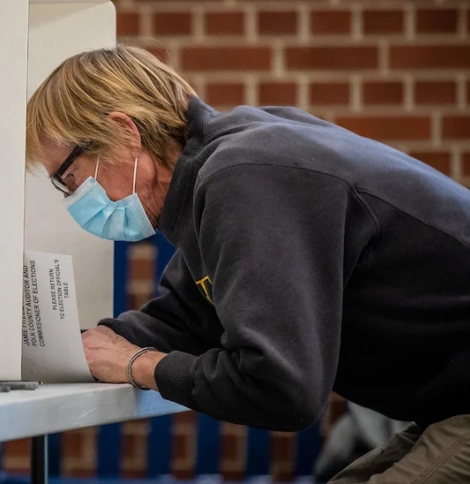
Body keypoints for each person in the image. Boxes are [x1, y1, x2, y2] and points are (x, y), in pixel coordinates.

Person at [25, 44, 470, 483]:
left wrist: (136, 363)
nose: (74, 199)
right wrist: (67, 347)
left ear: (124, 132)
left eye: (69, 178)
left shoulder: (245, 176)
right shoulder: (220, 169)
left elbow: (281, 388)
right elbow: (184, 320)